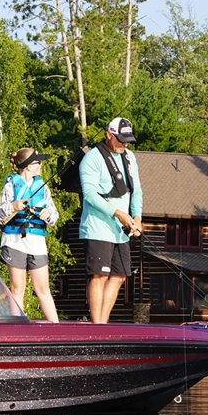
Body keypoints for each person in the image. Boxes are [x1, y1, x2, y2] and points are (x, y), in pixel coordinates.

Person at [78, 117, 143, 324]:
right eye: (121, 140)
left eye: (128, 141)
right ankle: (96, 325)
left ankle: (102, 323)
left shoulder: (130, 157)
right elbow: (89, 194)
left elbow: (136, 190)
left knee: (119, 276)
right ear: (109, 135)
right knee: (99, 275)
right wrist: (117, 213)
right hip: (97, 227)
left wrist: (137, 217)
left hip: (120, 231)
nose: (125, 144)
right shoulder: (92, 158)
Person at [0, 147, 60, 322]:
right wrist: (13, 206)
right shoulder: (10, 186)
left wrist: (48, 215)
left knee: (43, 289)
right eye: (38, 162)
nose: (41, 165)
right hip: (14, 241)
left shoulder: (43, 187)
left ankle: (56, 327)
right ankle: (18, 328)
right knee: (18, 288)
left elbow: (54, 216)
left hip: (37, 243)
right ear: (29, 166)